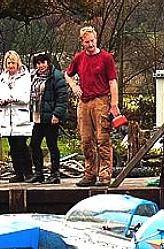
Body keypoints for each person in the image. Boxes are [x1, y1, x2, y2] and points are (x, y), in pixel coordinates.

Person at [65, 26, 120, 188]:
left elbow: (112, 81)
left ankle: (105, 174)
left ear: (96, 40)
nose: (90, 44)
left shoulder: (106, 58)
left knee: (103, 139)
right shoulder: (79, 58)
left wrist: (114, 103)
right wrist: (74, 85)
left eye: (92, 41)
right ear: (82, 42)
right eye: (87, 42)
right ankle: (89, 173)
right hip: (84, 101)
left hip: (100, 100)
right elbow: (67, 74)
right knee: (86, 139)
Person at [27, 52, 69, 184]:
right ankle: (38, 172)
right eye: (38, 63)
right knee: (34, 144)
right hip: (38, 116)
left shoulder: (56, 76)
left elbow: (62, 97)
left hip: (51, 117)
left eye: (43, 62)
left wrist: (57, 114)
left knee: (52, 145)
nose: (41, 65)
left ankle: (55, 173)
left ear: (48, 62)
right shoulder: (33, 76)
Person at [0, 50, 33, 183]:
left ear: (17, 63)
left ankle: (28, 172)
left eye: (13, 63)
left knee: (22, 145)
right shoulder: (1, 79)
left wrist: (13, 98)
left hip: (20, 117)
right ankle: (18, 173)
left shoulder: (25, 77)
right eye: (8, 63)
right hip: (6, 118)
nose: (11, 65)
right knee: (13, 147)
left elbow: (27, 97)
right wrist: (1, 101)